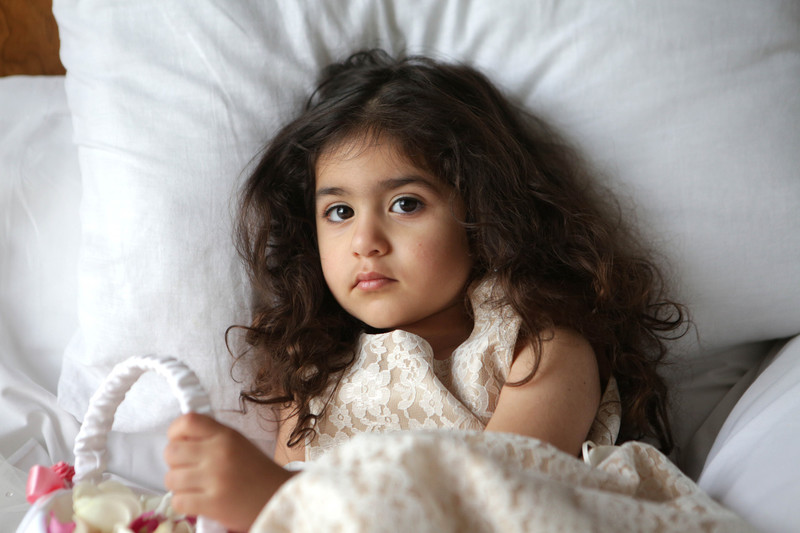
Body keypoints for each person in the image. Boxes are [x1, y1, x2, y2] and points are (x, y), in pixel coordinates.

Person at [163, 49, 686, 532]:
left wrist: (276, 498)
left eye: (405, 204)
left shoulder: (535, 351)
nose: (365, 242)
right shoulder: (311, 371)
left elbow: (496, 509)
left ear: (482, 214)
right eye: (340, 212)